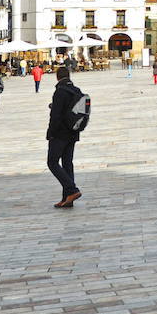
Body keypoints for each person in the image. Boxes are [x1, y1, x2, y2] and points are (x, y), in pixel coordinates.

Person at [46, 67, 88, 209]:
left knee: (52, 162)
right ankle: (67, 198)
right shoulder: (76, 90)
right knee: (67, 163)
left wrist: (50, 132)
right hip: (73, 132)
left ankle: (72, 190)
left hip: (60, 134)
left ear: (57, 77)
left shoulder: (60, 92)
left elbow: (56, 116)